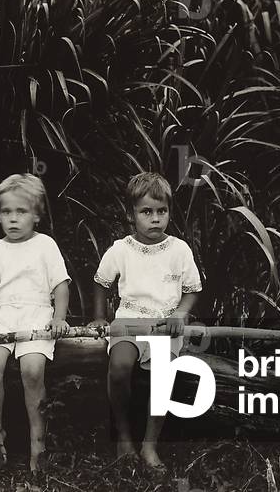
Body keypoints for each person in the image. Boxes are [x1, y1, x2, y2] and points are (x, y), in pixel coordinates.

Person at [87, 172, 203, 470]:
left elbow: (192, 290)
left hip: (165, 327)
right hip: (129, 322)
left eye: (161, 211)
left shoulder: (179, 250)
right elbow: (101, 283)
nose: (155, 219)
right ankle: (124, 436)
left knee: (164, 377)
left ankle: (150, 445)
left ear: (169, 213)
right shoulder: (121, 249)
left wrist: (180, 314)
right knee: (120, 368)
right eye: (146, 212)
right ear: (132, 215)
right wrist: (100, 318)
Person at [0, 174, 70, 471]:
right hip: (3, 316)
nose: (13, 219)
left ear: (36, 215)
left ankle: (39, 443)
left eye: (21, 212)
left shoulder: (46, 245)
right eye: (6, 212)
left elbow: (60, 285)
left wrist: (59, 318)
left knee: (32, 369)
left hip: (37, 315)